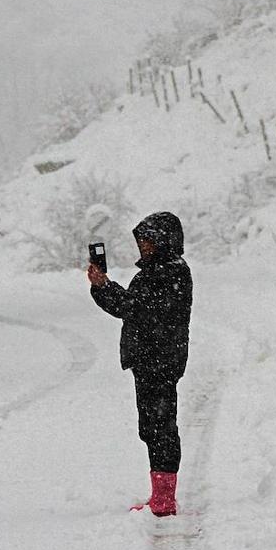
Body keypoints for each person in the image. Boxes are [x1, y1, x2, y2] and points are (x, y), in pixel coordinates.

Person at [87, 211, 192, 517]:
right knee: (151, 427)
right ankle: (160, 494)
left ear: (163, 240)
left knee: (160, 428)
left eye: (148, 240)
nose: (143, 246)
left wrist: (104, 287)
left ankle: (164, 499)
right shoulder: (156, 271)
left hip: (159, 361)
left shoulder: (170, 272)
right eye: (141, 240)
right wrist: (102, 286)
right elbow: (132, 308)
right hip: (149, 360)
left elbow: (135, 308)